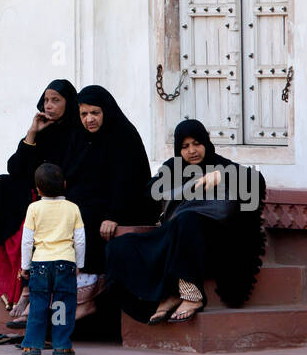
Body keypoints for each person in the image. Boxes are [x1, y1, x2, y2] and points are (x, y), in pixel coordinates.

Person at [105, 118, 267, 324]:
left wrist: (223, 176)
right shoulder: (173, 167)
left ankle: (192, 295)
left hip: (209, 237)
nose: (192, 151)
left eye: (197, 144)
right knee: (120, 246)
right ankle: (168, 295)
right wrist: (188, 187)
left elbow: (257, 181)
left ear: (206, 143)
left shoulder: (219, 164)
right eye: (185, 146)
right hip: (174, 231)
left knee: (187, 221)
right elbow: (150, 193)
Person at [0, 80, 80, 318]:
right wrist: (32, 133)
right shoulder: (43, 131)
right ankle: (19, 289)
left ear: (69, 103)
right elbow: (16, 168)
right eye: (46, 100)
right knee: (4, 182)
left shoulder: (76, 133)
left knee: (34, 216)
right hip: (36, 195)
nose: (49, 105)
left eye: (56, 100)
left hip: (61, 196)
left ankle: (28, 292)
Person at [60, 84, 155, 326]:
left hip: (121, 207)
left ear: (106, 112)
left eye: (95, 113)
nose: (89, 119)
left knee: (86, 222)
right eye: (83, 114)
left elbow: (128, 182)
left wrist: (114, 215)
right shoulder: (79, 138)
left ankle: (86, 301)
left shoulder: (123, 135)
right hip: (87, 205)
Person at [19, 163, 84, 355]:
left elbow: (27, 240)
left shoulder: (34, 208)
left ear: (37, 189)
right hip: (65, 262)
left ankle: (32, 345)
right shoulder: (72, 208)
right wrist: (79, 264)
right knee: (62, 305)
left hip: (40, 264)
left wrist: (25, 266)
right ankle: (62, 345)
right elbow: (80, 240)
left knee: (38, 303)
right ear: (64, 184)